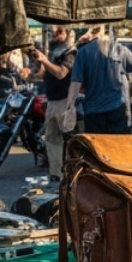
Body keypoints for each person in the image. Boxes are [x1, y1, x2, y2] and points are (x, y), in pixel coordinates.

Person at [63, 28, 132, 136]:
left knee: (96, 150)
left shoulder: (83, 53)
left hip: (93, 114)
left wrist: (69, 110)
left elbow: (75, 84)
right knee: (117, 150)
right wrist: (130, 93)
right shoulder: (119, 50)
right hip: (117, 110)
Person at [31, 25, 77, 179]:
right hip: (51, 100)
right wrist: (29, 74)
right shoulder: (53, 52)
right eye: (54, 31)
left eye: (60, 31)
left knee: (69, 139)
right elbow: (43, 74)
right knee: (51, 138)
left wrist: (44, 60)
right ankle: (56, 173)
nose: (56, 33)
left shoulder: (71, 53)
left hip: (65, 101)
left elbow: (61, 73)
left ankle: (71, 174)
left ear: (68, 33)